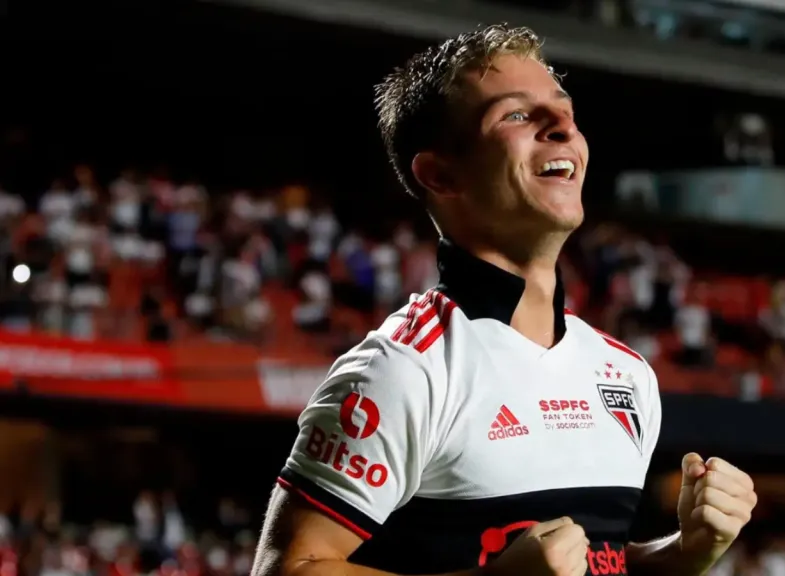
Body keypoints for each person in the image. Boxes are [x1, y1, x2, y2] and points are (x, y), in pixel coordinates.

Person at [252, 24, 757, 576]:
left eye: (564, 110)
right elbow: (288, 568)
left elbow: (603, 563)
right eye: (516, 114)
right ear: (440, 174)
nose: (563, 126)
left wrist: (686, 551)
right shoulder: (403, 370)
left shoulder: (627, 374)